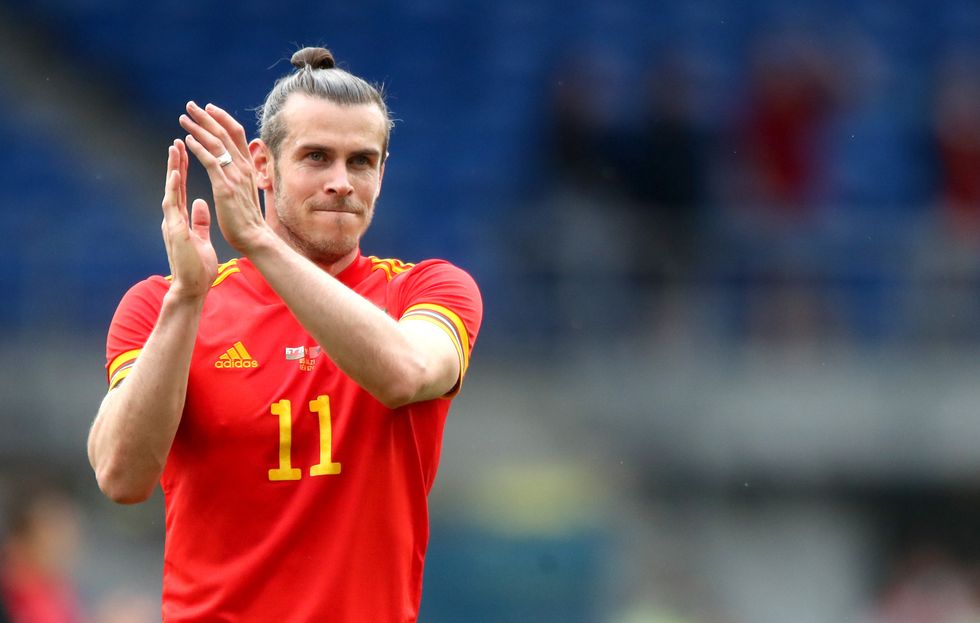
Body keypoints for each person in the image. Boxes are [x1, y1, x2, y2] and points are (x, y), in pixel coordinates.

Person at [87, 46, 482, 622]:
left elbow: (406, 374)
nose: (342, 182)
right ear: (262, 165)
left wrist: (258, 241)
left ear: (383, 172)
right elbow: (121, 476)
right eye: (317, 157)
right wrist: (185, 300)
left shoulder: (426, 290)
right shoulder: (162, 303)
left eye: (362, 161)